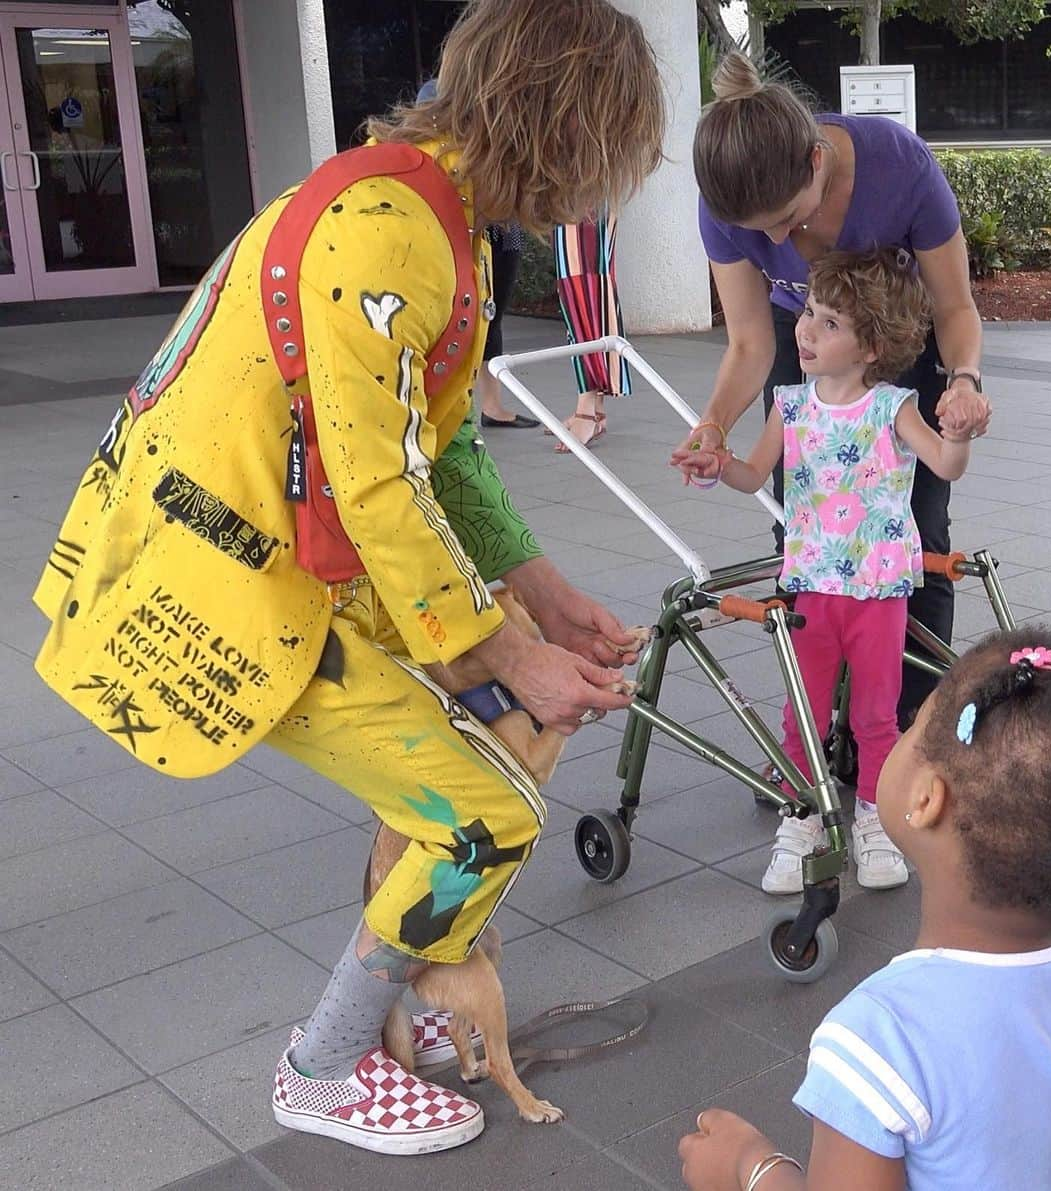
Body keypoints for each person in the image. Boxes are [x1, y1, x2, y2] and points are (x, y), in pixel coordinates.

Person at [31, 0, 664, 1157]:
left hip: (288, 563)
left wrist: (544, 592)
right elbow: (379, 482)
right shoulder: (390, 230)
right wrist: (511, 646)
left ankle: (414, 1012)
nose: (606, 189)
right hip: (228, 582)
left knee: (447, 775)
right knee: (482, 814)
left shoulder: (432, 214)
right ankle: (322, 1067)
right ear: (568, 126)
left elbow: (446, 445)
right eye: (613, 152)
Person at [678, 627, 1051, 1191]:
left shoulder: (883, 1038)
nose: (902, 734)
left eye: (913, 726)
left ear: (925, 799)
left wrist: (751, 1168)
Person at [670, 52, 993, 731]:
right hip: (805, 344)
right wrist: (714, 426)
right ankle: (819, 728)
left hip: (900, 342)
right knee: (805, 529)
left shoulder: (898, 168)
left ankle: (914, 727)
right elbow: (754, 342)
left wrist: (963, 380)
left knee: (915, 533)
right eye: (759, 231)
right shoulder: (728, 207)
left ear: (816, 160)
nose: (779, 240)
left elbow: (957, 306)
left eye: (786, 217)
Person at [713, 249, 977, 893]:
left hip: (878, 589)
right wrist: (714, 460)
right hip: (809, 586)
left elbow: (944, 466)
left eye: (829, 323)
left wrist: (961, 427)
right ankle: (801, 820)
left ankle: (875, 821)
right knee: (800, 713)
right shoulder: (791, 405)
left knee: (876, 716)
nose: (804, 329)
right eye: (808, 312)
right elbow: (752, 474)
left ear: (872, 346)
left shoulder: (893, 407)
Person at [417, 76, 537, 430]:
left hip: (497, 228)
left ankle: (487, 404)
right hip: (464, 225)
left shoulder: (494, 101)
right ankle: (472, 404)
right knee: (467, 314)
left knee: (488, 313)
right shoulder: (442, 98)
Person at [551, 210, 631, 450]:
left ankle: (587, 409)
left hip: (580, 188)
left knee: (582, 286)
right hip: (586, 186)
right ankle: (593, 409)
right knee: (590, 285)